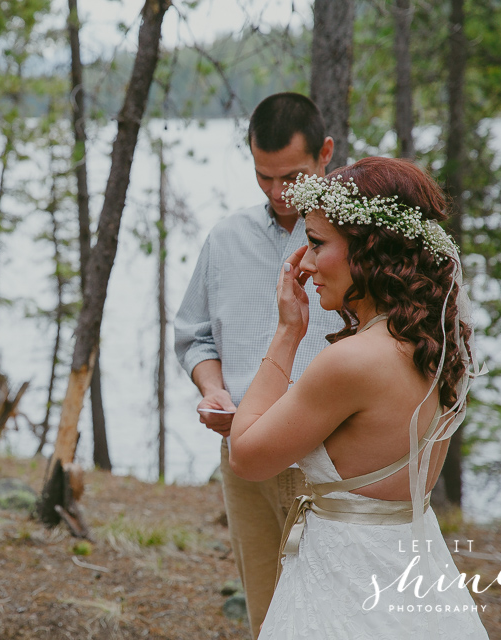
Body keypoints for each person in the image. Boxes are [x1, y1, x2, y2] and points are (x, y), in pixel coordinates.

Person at [229, 156, 488, 638]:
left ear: (370, 249)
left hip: (345, 579)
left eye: (316, 244)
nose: (305, 263)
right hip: (416, 566)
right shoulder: (443, 344)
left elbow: (246, 456)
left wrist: (287, 332)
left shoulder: (352, 362)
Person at [174, 92, 342, 638]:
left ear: (325, 154)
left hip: (333, 458)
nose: (277, 192)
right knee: (267, 614)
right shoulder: (225, 239)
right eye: (263, 177)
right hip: (245, 453)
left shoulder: (353, 240)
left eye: (291, 176)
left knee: (332, 609)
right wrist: (214, 390)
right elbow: (194, 336)